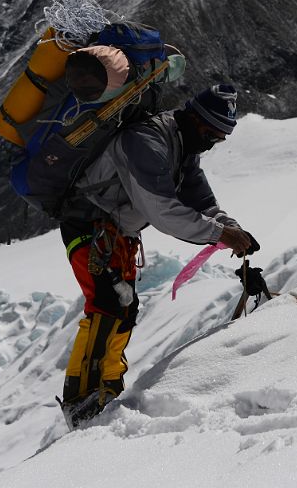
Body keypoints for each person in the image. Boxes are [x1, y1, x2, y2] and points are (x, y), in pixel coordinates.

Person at [57, 81, 259, 429]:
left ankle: (105, 389)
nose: (214, 142)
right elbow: (162, 210)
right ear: (196, 119)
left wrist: (233, 229)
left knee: (124, 306)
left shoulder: (183, 148)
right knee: (106, 303)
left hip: (114, 234)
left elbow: (204, 204)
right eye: (213, 133)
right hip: (87, 226)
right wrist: (220, 233)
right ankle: (81, 400)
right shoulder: (146, 141)